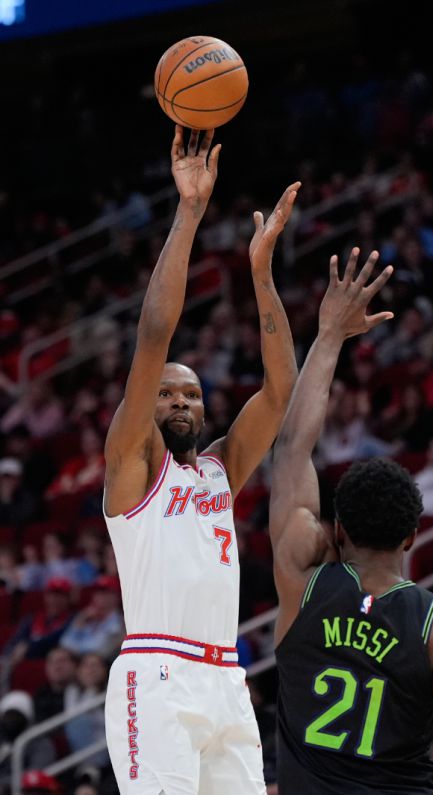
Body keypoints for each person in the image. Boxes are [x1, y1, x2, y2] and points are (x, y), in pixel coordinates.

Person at [269, 247, 433, 794]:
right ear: (411, 536)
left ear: (338, 531)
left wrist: (329, 334)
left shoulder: (303, 583)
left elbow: (291, 450)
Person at [103, 125, 298, 795]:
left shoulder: (219, 471)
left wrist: (261, 272)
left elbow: (280, 390)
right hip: (158, 675)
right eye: (167, 393)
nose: (181, 400)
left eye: (192, 393)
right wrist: (189, 212)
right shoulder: (132, 464)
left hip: (225, 679)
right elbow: (154, 334)